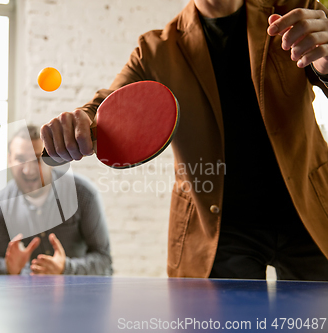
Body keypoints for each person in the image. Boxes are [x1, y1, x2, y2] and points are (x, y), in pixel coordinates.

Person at [40, 0, 328, 280]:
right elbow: (106, 107)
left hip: (309, 207)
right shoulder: (156, 50)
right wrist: (79, 123)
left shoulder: (297, 9)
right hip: (216, 226)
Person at [0, 125, 112, 275]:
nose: (28, 170)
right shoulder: (1, 204)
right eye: (20, 159)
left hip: (77, 296)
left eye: (37, 159)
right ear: (9, 160)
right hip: (26, 297)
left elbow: (104, 261)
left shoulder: (84, 195)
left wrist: (65, 268)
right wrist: (11, 268)